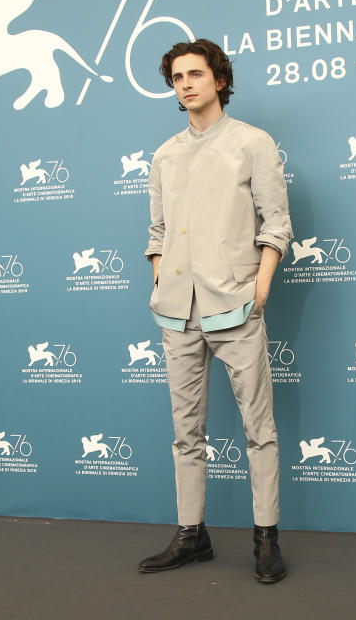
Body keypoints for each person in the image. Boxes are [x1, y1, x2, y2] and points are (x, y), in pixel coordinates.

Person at [137, 39, 292, 584]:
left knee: (259, 429)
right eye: (177, 76)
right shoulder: (164, 154)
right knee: (186, 433)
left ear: (220, 80)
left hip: (235, 306)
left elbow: (276, 223)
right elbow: (156, 231)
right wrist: (159, 275)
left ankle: (266, 538)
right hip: (177, 313)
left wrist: (260, 289)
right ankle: (191, 535)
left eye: (196, 74)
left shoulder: (252, 143)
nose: (185, 83)